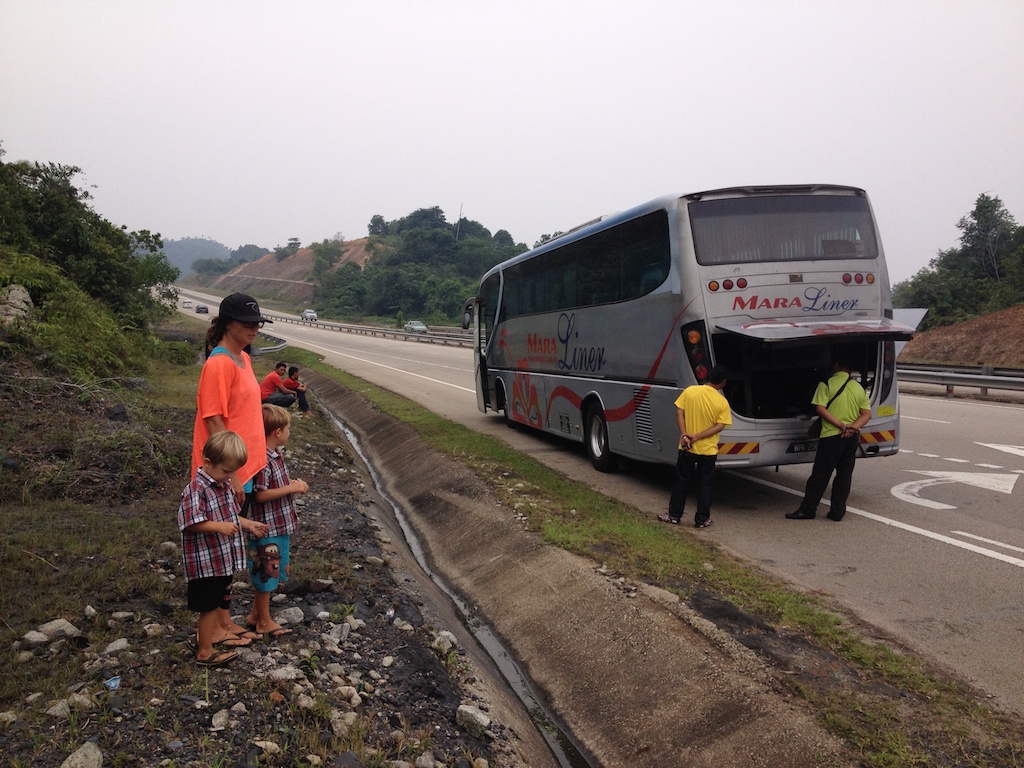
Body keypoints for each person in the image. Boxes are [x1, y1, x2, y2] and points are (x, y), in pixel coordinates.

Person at [193, 292, 273, 642]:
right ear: (228, 324)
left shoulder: (242, 359)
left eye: (257, 323)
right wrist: (235, 475)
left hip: (243, 468)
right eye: (247, 323)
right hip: (225, 472)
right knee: (221, 547)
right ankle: (217, 628)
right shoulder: (219, 363)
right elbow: (214, 420)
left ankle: (225, 621)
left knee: (233, 547)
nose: (254, 329)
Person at [178, 431, 268, 666]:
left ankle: (209, 639)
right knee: (208, 608)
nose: (230, 477)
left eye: (233, 472)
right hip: (205, 563)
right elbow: (190, 522)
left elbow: (231, 516)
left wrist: (249, 524)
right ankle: (205, 653)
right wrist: (219, 527)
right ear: (208, 463)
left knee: (219, 602)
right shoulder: (196, 489)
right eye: (227, 471)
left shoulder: (222, 484)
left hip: (221, 560)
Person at [245, 404, 309, 638]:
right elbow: (260, 495)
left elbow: (273, 486)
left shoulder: (275, 455)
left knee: (273, 570)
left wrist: (289, 484)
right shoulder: (263, 459)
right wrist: (290, 488)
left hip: (278, 526)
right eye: (288, 428)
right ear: (277, 432)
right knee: (266, 574)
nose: (290, 432)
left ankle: (255, 615)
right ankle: (263, 621)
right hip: (267, 528)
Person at [787, 356, 870, 521]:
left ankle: (808, 510)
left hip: (831, 436)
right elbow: (866, 414)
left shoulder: (826, 383)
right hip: (851, 438)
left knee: (820, 475)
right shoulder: (858, 387)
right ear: (851, 369)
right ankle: (837, 512)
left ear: (836, 365)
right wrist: (852, 428)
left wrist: (840, 425)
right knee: (844, 475)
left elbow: (820, 409)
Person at [657, 365, 732, 529]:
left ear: (709, 376)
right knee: (705, 484)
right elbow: (719, 426)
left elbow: (679, 412)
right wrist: (697, 436)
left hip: (686, 447)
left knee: (681, 481)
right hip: (708, 450)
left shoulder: (690, 391)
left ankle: (674, 516)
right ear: (723, 383)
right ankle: (702, 520)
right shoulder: (722, 402)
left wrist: (685, 435)